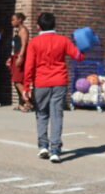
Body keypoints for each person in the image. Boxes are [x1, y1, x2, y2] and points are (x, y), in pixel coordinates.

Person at [24, 12, 84, 163]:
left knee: (42, 114)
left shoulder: (34, 42)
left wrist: (26, 86)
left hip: (41, 82)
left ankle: (43, 146)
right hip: (59, 81)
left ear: (38, 26)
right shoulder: (63, 40)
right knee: (56, 115)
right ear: (55, 25)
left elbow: (29, 65)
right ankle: (55, 150)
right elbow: (78, 56)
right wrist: (83, 47)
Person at [6, 12, 31, 111]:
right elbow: (15, 46)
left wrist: (20, 57)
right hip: (15, 56)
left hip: (19, 56)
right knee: (16, 81)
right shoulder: (17, 30)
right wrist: (10, 57)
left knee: (17, 81)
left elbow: (24, 45)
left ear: (19, 19)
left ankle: (29, 103)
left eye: (13, 19)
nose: (11, 22)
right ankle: (21, 104)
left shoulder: (23, 30)